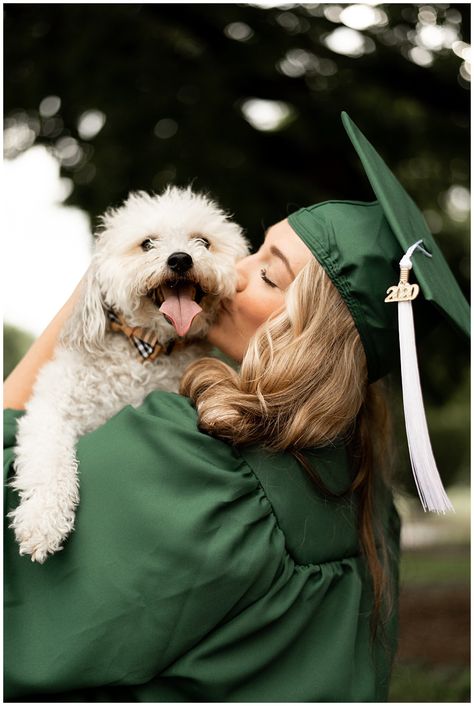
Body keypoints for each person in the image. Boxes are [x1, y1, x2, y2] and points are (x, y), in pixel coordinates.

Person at [3, 113, 468, 702]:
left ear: (311, 338)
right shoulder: (357, 467)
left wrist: (76, 313)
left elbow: (19, 601)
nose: (234, 273)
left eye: (268, 275)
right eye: (252, 249)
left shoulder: (202, 453)